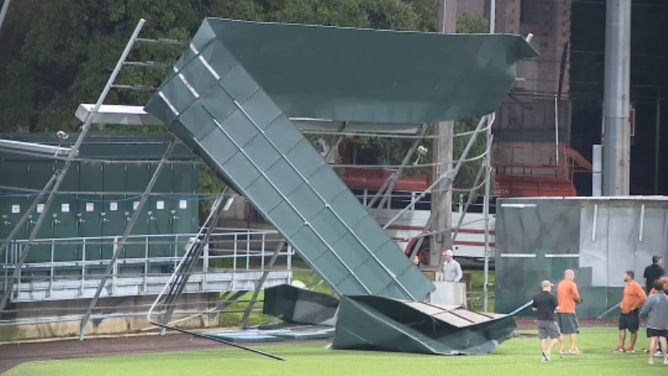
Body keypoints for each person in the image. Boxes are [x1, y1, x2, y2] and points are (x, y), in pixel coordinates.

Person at [614, 270, 647, 353]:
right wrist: (622, 303)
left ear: (629, 276)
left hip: (632, 312)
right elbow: (626, 297)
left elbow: (643, 297)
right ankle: (621, 346)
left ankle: (631, 347)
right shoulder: (627, 285)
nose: (623, 277)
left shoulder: (636, 286)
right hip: (624, 311)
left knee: (633, 330)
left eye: (625, 275)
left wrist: (634, 306)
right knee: (621, 328)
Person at [640, 279, 668, 364]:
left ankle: (651, 359)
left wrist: (641, 315)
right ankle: (665, 359)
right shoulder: (666, 298)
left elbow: (645, 309)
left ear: (654, 287)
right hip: (664, 323)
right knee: (663, 340)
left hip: (653, 322)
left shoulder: (651, 297)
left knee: (653, 340)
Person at [532, 280, 560, 362]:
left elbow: (534, 308)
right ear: (547, 287)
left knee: (542, 338)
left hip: (540, 320)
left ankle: (544, 357)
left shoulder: (536, 297)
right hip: (550, 319)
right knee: (556, 337)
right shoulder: (552, 297)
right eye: (550, 286)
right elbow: (557, 307)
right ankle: (548, 352)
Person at [557, 269, 582, 355]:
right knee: (574, 330)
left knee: (562, 331)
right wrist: (578, 300)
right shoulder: (571, 284)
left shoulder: (560, 284)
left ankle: (562, 349)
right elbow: (576, 296)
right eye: (573, 275)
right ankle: (572, 348)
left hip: (560, 310)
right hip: (569, 310)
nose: (574, 277)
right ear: (569, 275)